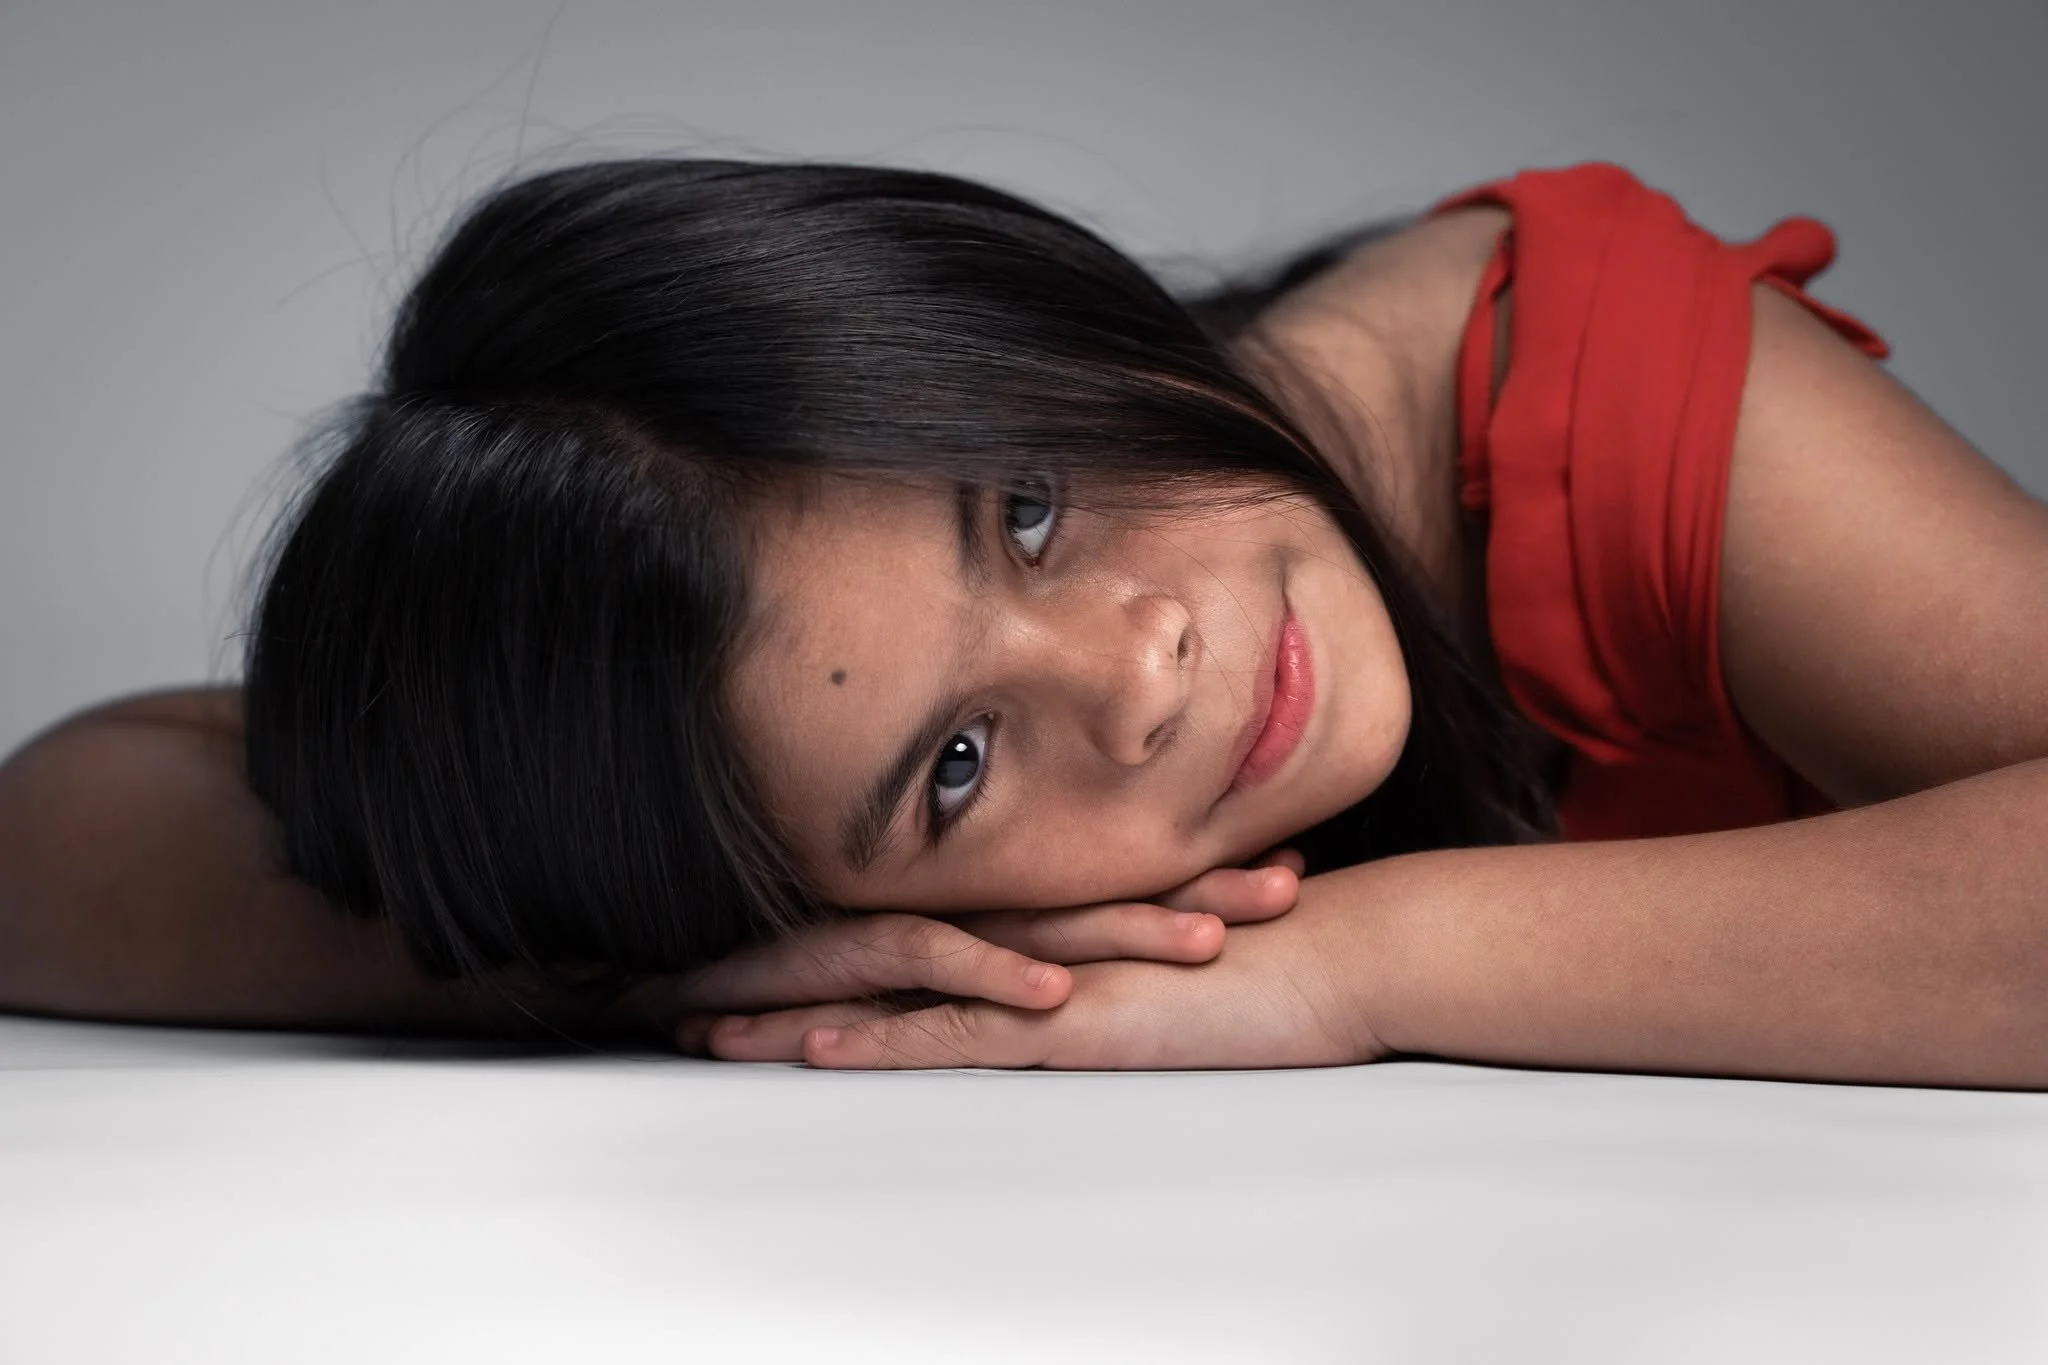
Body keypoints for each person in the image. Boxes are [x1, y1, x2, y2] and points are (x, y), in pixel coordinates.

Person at [2, 159, 2044, 1086]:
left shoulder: (1560, 375)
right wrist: (641, 962)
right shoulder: (724, 758)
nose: (1137, 670)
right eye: (954, 765)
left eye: (1036, 509)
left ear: (1022, 318)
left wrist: (1365, 962)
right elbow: (55, 828)